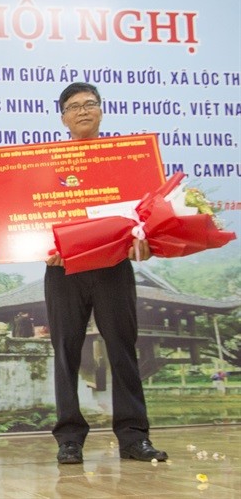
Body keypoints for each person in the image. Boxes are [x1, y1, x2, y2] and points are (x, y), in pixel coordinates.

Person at [45, 82, 168, 465]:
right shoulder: (45, 164)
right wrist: (38, 246)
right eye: (74, 106)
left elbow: (142, 217)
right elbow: (28, 216)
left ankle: (134, 437)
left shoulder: (123, 161)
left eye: (90, 104)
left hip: (114, 265)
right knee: (65, 352)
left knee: (122, 350)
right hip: (62, 268)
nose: (82, 111)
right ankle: (69, 438)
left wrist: (144, 240)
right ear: (63, 117)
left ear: (101, 111)